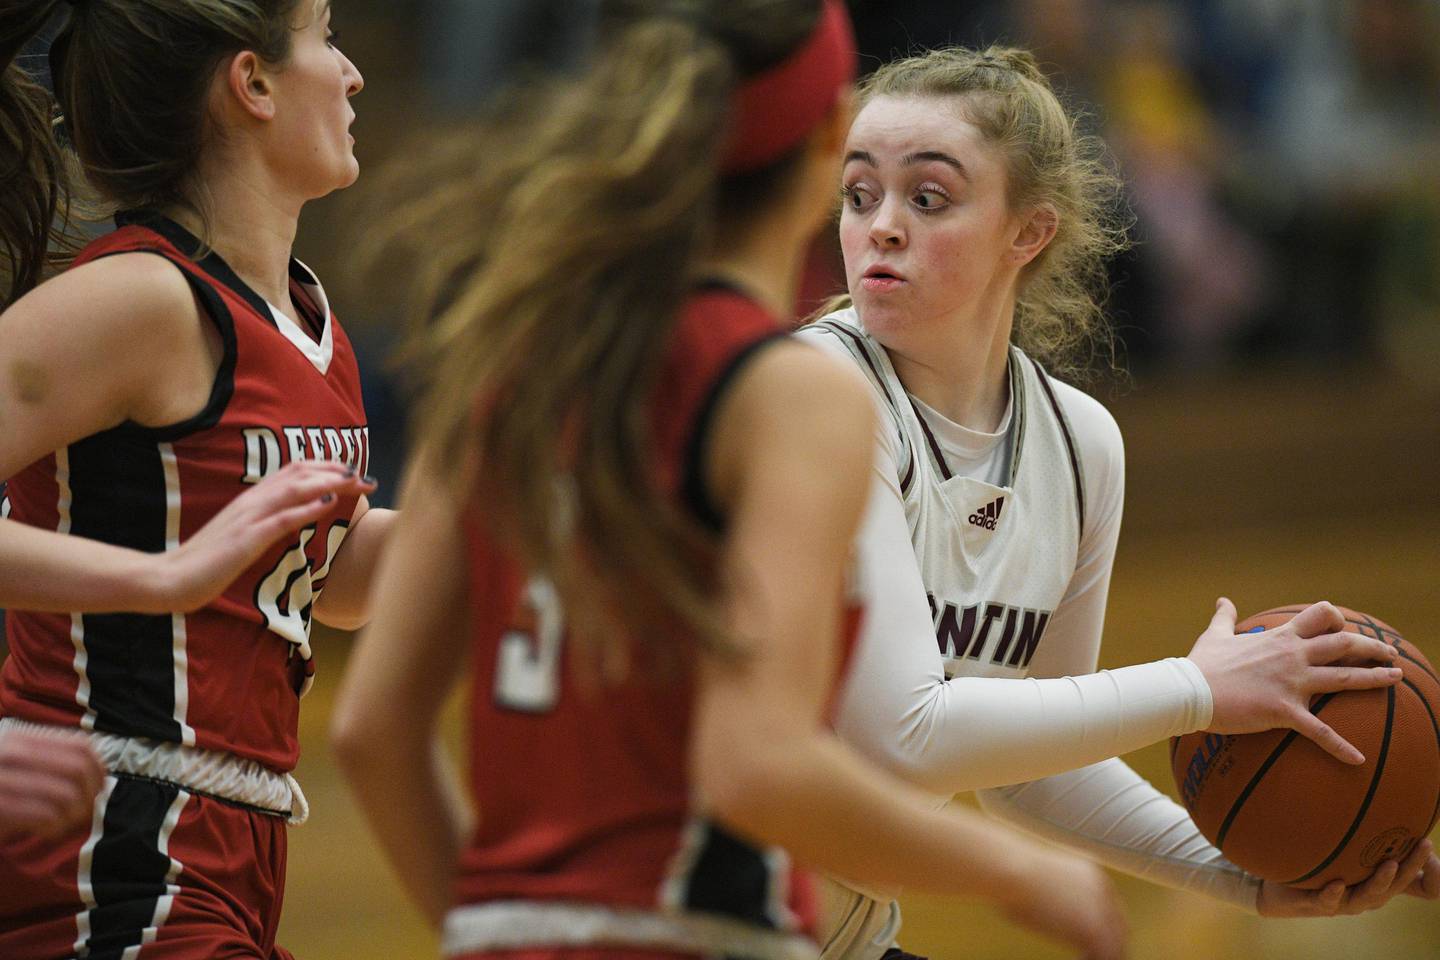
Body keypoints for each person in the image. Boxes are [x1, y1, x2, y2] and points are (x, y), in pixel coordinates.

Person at [332, 3, 1132, 958]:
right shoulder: (794, 393)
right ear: (829, 147)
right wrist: (1017, 871)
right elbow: (756, 764)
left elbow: (372, 732)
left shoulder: (504, 360)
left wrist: (493, 925)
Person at [795, 45, 1440, 959]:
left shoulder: (1078, 443)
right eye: (860, 195)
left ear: (1029, 233)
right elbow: (910, 736)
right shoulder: (816, 393)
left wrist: (1250, 878)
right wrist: (1197, 691)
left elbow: (1034, 775)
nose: (881, 227)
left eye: (928, 198)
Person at [0, 1, 391, 957]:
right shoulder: (139, 298)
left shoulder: (306, 321)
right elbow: (201, 565)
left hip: (229, 850)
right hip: (104, 845)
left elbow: (317, 581)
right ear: (251, 82)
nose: (353, 75)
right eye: (327, 38)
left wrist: (515, 518)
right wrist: (161, 580)